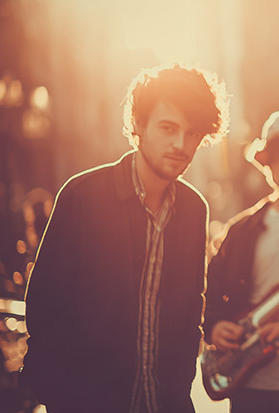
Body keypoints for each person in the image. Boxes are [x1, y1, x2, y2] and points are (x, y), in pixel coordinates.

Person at [22, 63, 230, 412]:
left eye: (192, 133)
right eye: (168, 128)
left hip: (166, 403)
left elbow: (190, 310)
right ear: (138, 124)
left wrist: (180, 390)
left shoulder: (195, 209)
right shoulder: (82, 195)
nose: (181, 144)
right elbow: (45, 307)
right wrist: (62, 398)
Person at [204, 109, 279, 412]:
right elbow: (209, 288)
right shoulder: (240, 229)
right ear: (267, 164)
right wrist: (215, 325)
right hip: (248, 386)